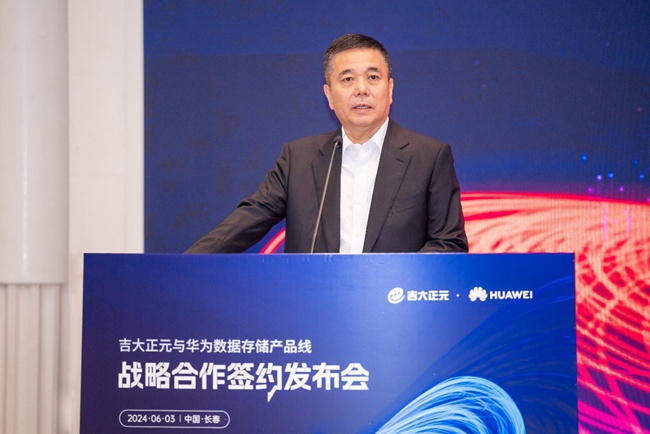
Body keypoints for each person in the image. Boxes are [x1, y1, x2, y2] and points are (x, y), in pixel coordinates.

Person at [186, 34, 468, 254]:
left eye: (373, 77)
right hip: (312, 305)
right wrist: (180, 266)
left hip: (392, 306)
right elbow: (247, 221)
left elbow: (449, 244)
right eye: (347, 79)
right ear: (329, 96)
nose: (361, 89)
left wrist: (390, 280)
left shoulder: (429, 157)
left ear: (390, 89)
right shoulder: (299, 159)